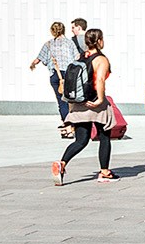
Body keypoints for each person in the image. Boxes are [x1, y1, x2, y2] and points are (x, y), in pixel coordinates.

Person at [53, 28, 116, 185]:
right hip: (94, 102)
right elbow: (100, 79)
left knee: (81, 140)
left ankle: (62, 164)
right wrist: (100, 99)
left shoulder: (80, 57)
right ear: (100, 40)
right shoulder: (101, 59)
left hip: (79, 103)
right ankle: (104, 172)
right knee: (104, 136)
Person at [30, 21, 79, 124]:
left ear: (52, 31)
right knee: (72, 99)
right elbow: (77, 57)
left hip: (56, 74)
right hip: (69, 74)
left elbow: (39, 58)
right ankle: (74, 123)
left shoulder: (48, 44)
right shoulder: (70, 43)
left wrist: (32, 65)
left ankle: (66, 123)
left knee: (61, 100)